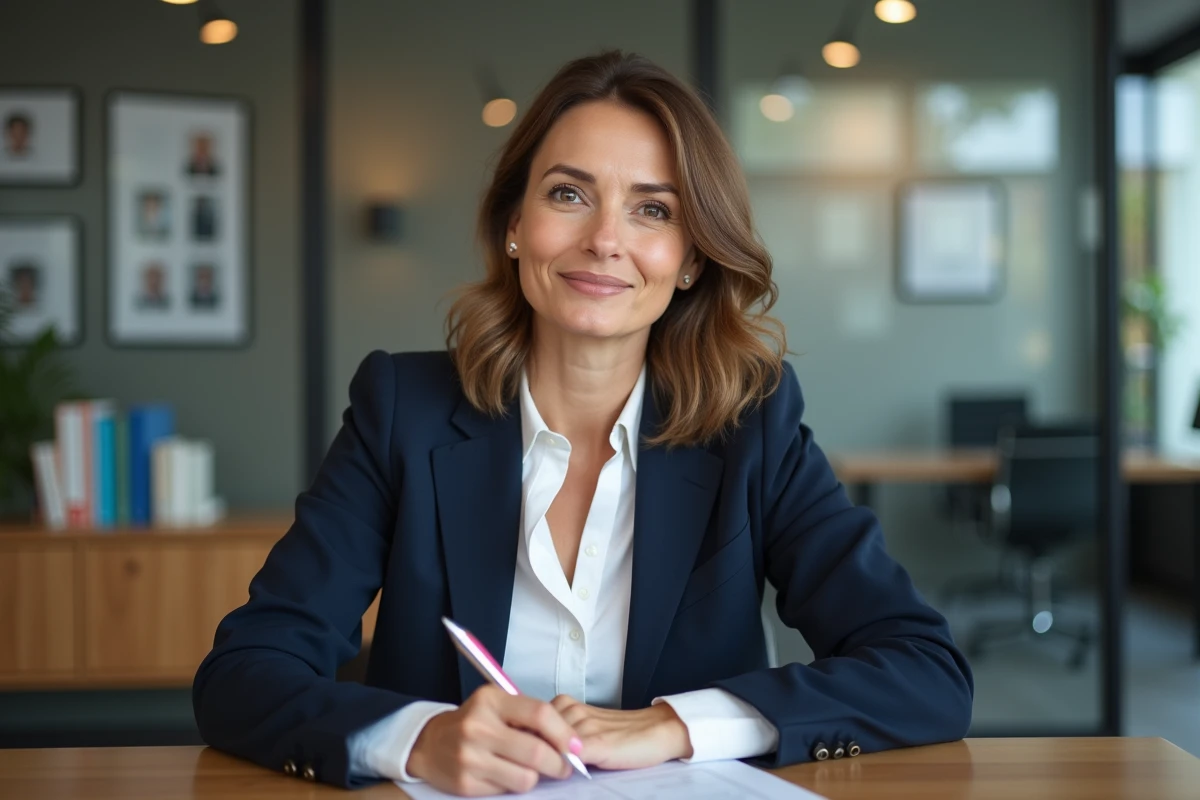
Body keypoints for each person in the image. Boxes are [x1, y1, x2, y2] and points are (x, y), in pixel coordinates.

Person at [193, 51, 973, 794]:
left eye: (652, 210)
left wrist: (675, 725)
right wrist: (418, 738)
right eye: (569, 195)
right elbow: (244, 673)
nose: (604, 240)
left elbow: (924, 669)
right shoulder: (403, 410)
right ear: (514, 223)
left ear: (691, 258)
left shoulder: (751, 424)